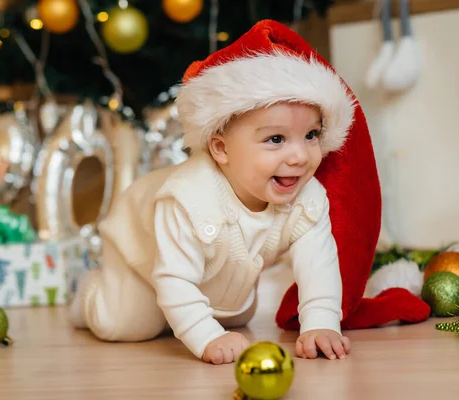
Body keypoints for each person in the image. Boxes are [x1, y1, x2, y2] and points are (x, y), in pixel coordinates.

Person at [69, 19, 430, 365]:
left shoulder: (306, 197)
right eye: (276, 139)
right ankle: (90, 294)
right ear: (221, 149)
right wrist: (205, 336)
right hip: (141, 252)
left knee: (236, 316)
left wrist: (321, 324)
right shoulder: (188, 199)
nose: (300, 156)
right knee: (129, 324)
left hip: (219, 272)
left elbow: (318, 265)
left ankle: (187, 312)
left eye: (312, 136)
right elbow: (174, 277)